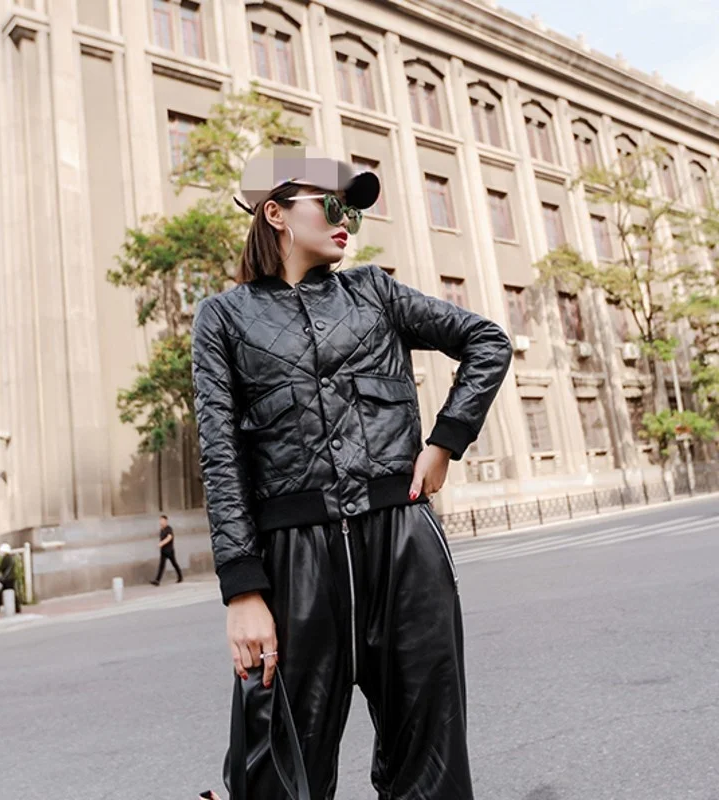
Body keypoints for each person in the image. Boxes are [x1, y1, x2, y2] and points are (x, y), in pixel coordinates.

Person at [192, 146, 513, 799]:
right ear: (275, 211)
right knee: (279, 774)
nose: (347, 221)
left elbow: (487, 341)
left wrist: (445, 442)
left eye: (354, 213)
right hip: (295, 566)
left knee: (432, 766)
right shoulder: (223, 318)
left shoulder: (375, 292)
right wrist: (242, 590)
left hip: (405, 549)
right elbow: (219, 453)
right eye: (332, 205)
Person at [150, 514, 183, 586]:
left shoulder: (169, 528)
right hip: (163, 551)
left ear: (166, 521)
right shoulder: (162, 530)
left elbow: (169, 537)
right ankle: (157, 581)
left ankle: (180, 577)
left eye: (162, 520)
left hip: (169, 551)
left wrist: (161, 543)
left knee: (174, 564)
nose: (161, 522)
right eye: (160, 520)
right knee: (161, 566)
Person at [0, 543, 21, 614]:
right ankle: (17, 608)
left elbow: (1, 567)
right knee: (12, 593)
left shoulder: (6, 558)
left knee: (2, 593)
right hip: (11, 578)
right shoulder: (11, 558)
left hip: (7, 579)